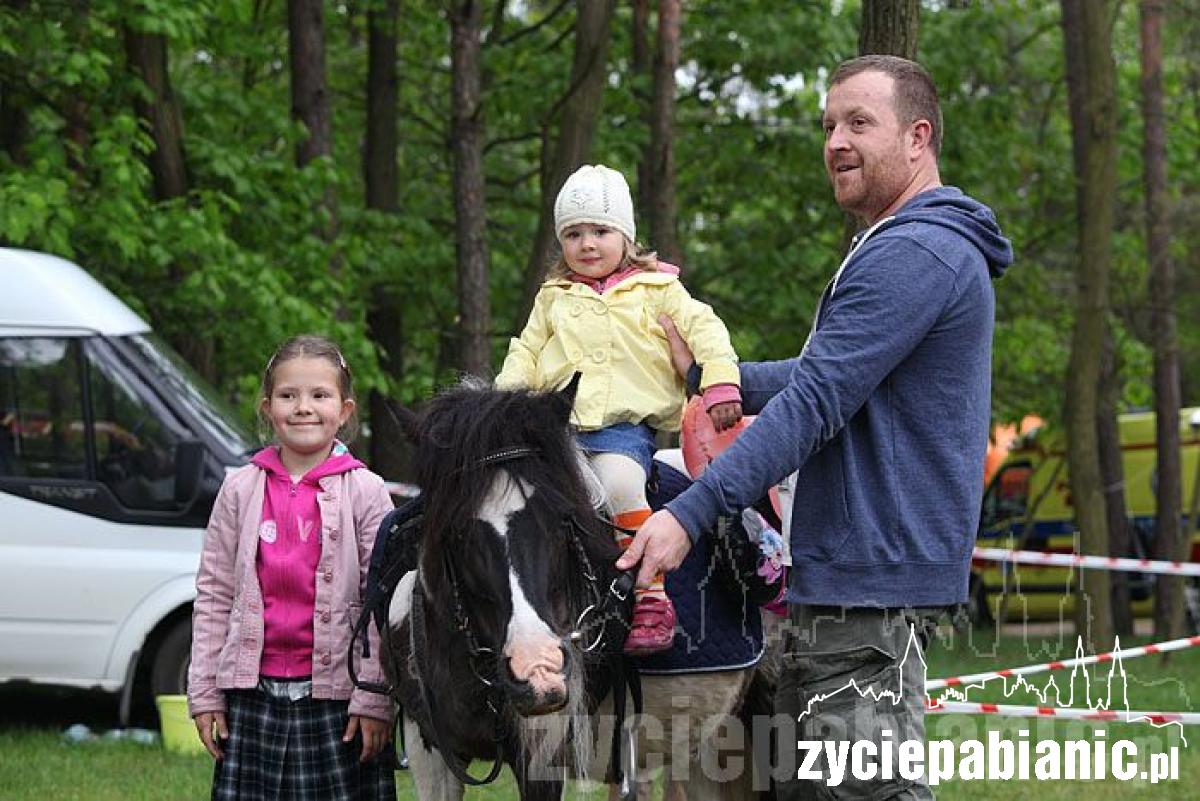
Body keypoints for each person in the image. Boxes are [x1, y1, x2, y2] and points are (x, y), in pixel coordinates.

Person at [619, 55, 1013, 798]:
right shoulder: (901, 246)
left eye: (859, 123)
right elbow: (825, 373)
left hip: (869, 582)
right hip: (851, 578)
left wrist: (691, 513)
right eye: (829, 123)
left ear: (919, 136)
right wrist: (710, 376)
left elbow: (815, 403)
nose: (835, 139)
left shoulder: (914, 251)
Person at [495, 163, 743, 655]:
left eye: (601, 231)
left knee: (619, 485)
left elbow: (706, 331)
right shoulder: (554, 297)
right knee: (510, 498)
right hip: (554, 429)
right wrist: (504, 402)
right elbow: (525, 351)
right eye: (573, 233)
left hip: (620, 431)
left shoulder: (658, 290)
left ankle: (651, 594)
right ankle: (523, 600)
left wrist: (719, 381)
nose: (587, 243)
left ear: (625, 235)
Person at [187, 335, 396, 801]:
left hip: (340, 702)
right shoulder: (239, 489)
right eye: (288, 395)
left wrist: (374, 696)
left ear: (344, 410)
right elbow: (215, 595)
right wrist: (205, 693)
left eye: (319, 395)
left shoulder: (367, 492)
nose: (303, 407)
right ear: (267, 407)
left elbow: (382, 604)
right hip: (252, 699)